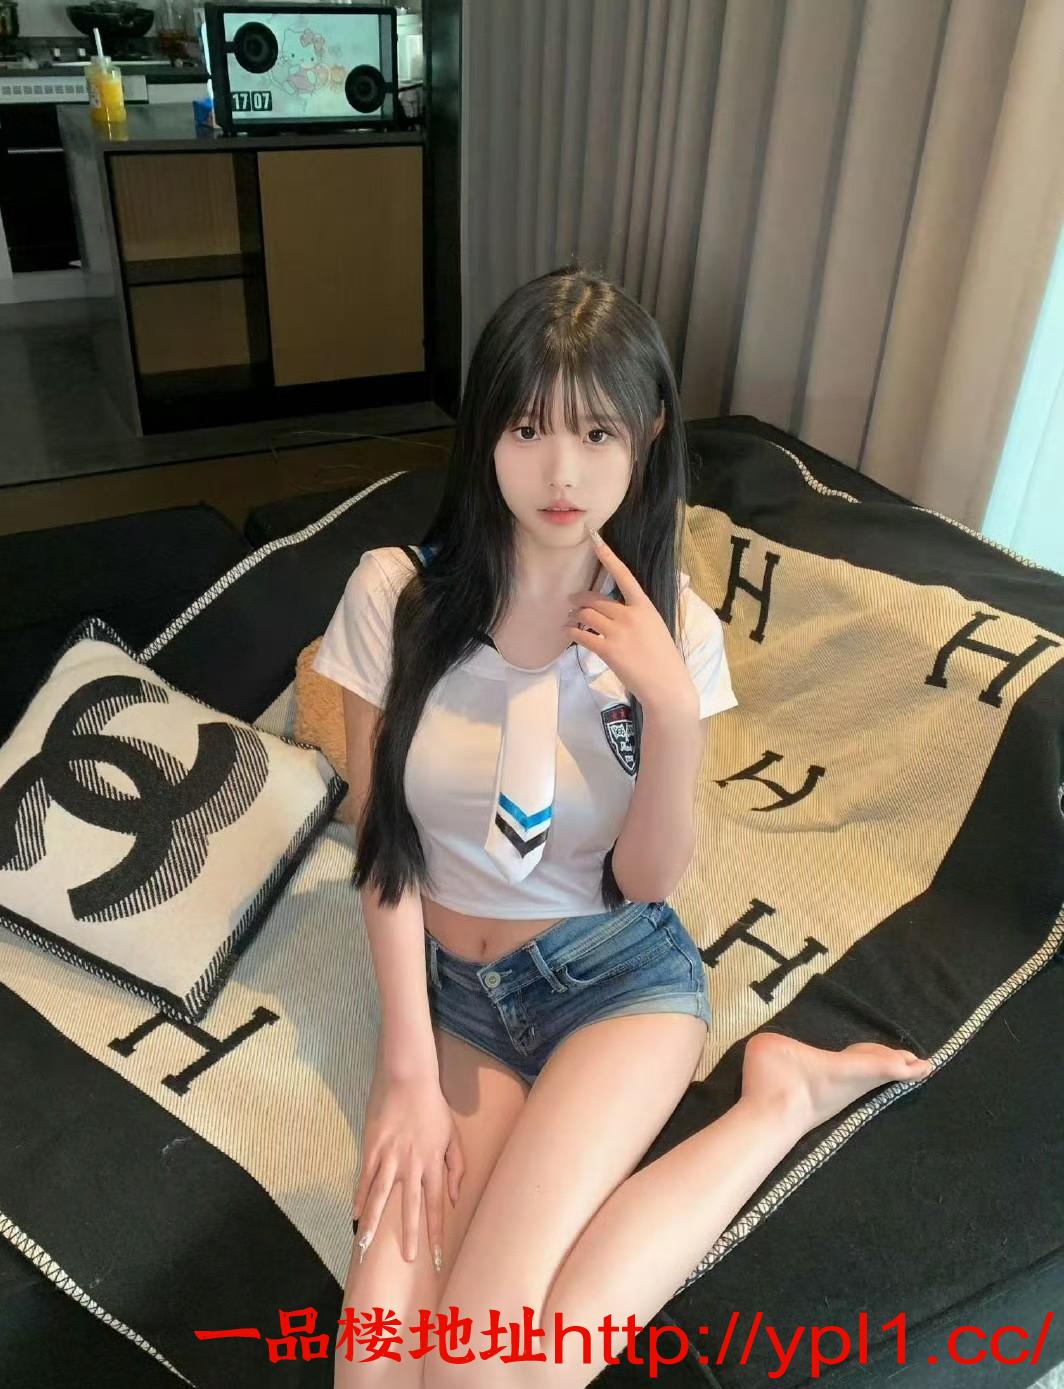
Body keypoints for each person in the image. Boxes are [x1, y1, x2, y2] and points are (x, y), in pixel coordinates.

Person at [312, 264, 935, 1387]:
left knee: (478, 1371)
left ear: (646, 436)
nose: (562, 471)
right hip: (460, 1005)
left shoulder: (675, 629)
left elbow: (647, 882)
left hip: (616, 985)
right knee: (373, 1372)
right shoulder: (392, 596)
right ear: (483, 432)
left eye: (597, 432)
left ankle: (777, 1101)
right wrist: (405, 1069)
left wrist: (674, 713)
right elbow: (384, 849)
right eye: (528, 428)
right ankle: (777, 1096)